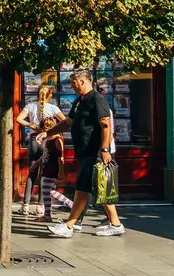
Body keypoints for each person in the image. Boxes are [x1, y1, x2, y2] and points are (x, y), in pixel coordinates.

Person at [48, 70, 124, 238]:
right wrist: (47, 132)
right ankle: (116, 224)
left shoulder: (97, 99)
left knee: (82, 189)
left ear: (82, 82)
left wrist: (104, 150)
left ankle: (69, 226)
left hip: (94, 152)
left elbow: (106, 125)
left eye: (74, 83)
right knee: (98, 187)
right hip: (84, 152)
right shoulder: (79, 101)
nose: (72, 86)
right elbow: (68, 122)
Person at [16, 81, 64, 218]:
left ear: (38, 94)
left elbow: (19, 119)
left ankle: (25, 205)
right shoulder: (53, 108)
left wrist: (31, 125)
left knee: (32, 172)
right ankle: (41, 206)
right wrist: (54, 131)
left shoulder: (30, 106)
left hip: (33, 141)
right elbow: (65, 121)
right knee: (45, 173)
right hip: (46, 141)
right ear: (49, 96)